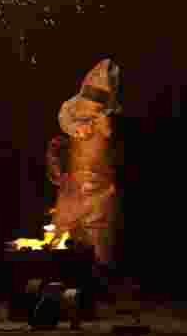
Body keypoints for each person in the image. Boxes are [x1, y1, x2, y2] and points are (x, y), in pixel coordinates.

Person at [46, 59, 121, 276]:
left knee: (99, 246)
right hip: (72, 190)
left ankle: (98, 282)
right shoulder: (71, 121)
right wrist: (58, 172)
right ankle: (61, 280)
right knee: (60, 238)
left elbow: (110, 141)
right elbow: (57, 144)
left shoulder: (107, 125)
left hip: (100, 191)